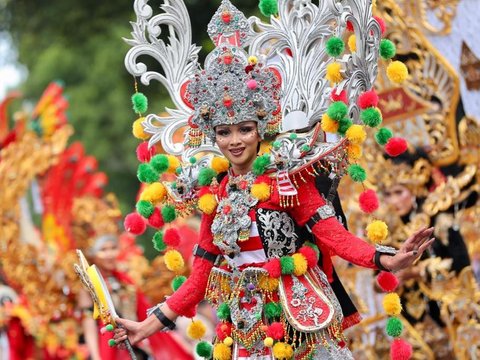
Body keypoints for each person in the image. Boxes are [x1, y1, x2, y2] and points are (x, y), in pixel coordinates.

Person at [114, 0, 434, 358]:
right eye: (224, 132)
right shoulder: (214, 196)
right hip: (244, 331)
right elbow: (199, 278)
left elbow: (335, 237)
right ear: (213, 135)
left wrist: (385, 259)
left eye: (244, 129)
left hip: (300, 323)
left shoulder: (288, 179)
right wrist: (148, 325)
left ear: (260, 130)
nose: (235, 141)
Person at [378, 149, 472, 358]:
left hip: (447, 307)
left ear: (413, 190)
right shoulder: (382, 229)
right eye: (388, 194)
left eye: (399, 192)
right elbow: (375, 281)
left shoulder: (437, 219)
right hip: (409, 315)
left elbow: (460, 261)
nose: (393, 201)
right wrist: (387, 278)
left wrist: (417, 271)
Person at [78, 234, 193, 360]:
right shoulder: (88, 287)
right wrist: (96, 356)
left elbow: (143, 313)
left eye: (113, 248)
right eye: (103, 250)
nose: (109, 254)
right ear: (94, 255)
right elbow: (88, 324)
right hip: (106, 348)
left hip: (134, 345)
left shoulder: (126, 281)